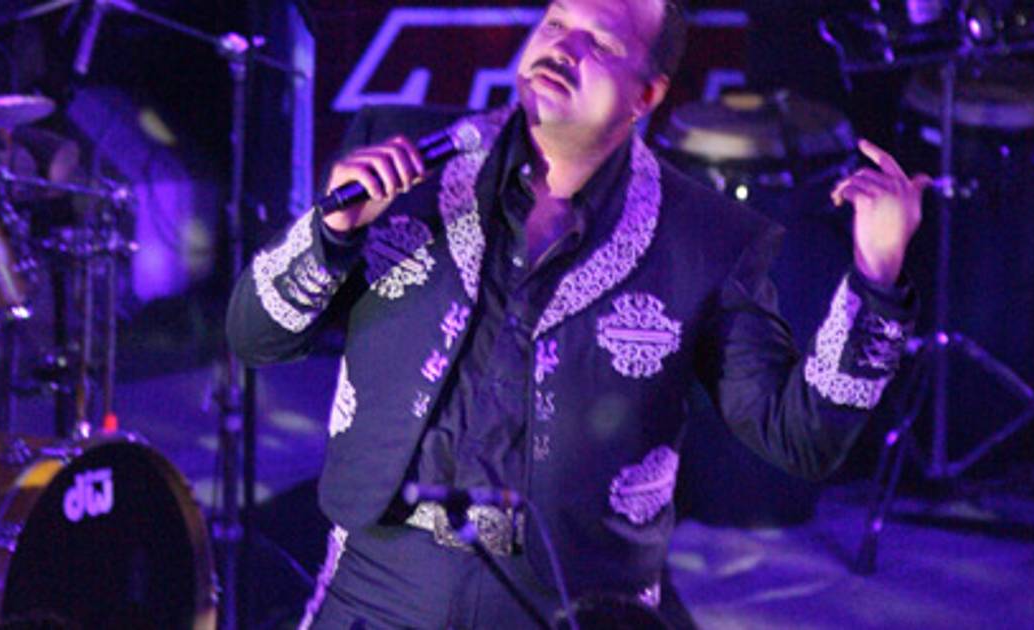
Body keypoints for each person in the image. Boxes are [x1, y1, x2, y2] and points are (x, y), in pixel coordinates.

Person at [227, 0, 929, 627]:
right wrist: (330, 235)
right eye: (557, 22)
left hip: (573, 601)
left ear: (646, 94)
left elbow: (801, 437)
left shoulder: (706, 239)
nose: (563, 47)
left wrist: (876, 277)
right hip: (380, 587)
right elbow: (252, 336)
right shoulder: (410, 165)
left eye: (601, 41)